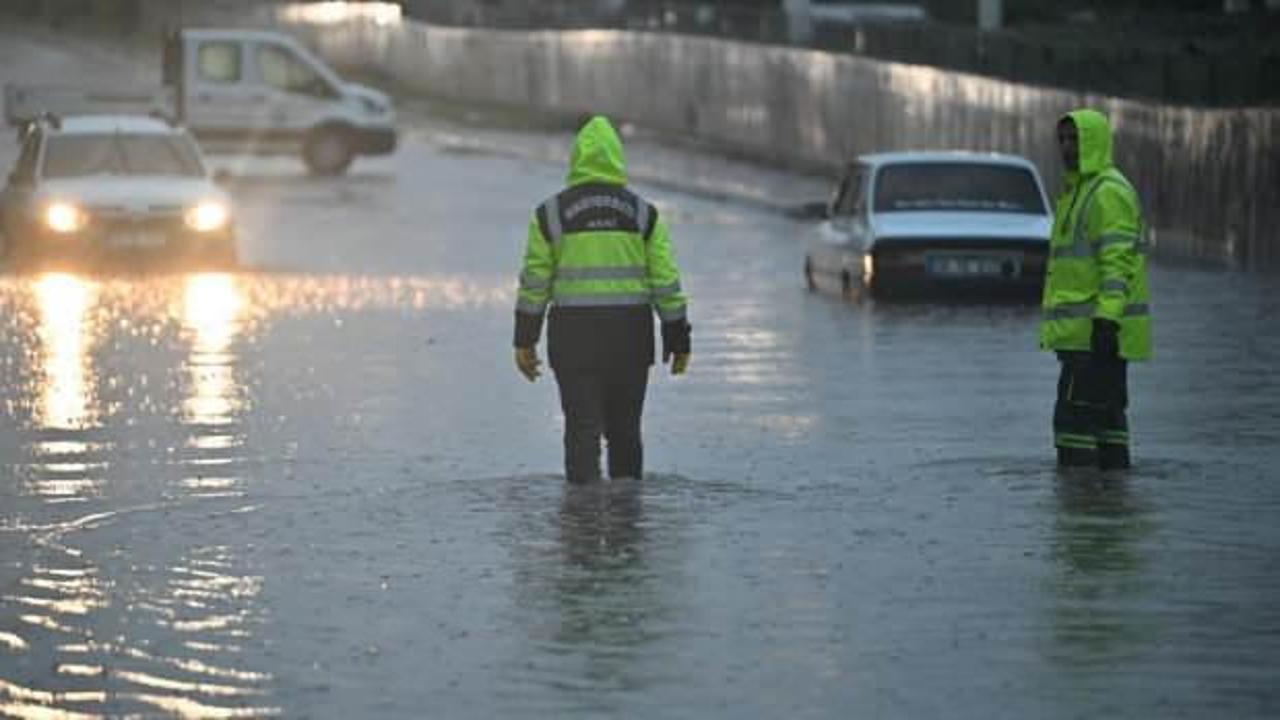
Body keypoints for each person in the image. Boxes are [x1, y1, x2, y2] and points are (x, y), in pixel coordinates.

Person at [513, 115, 691, 484]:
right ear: (617, 158)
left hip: (573, 338)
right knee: (626, 433)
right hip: (630, 336)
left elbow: (535, 282)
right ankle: (629, 521)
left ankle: (580, 523)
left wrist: (524, 339)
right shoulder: (644, 214)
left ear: (576, 158)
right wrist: (678, 338)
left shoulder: (550, 215)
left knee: (582, 430)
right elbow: (666, 282)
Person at [1041, 109, 1152, 470]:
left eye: (1075, 139)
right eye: (1062, 140)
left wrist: (1106, 322)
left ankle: (1082, 516)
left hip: (1095, 336)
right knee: (1106, 428)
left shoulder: (1106, 193)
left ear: (1095, 141)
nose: (1067, 147)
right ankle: (1109, 509)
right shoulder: (1080, 192)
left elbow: (1117, 265)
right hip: (1088, 336)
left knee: (1073, 429)